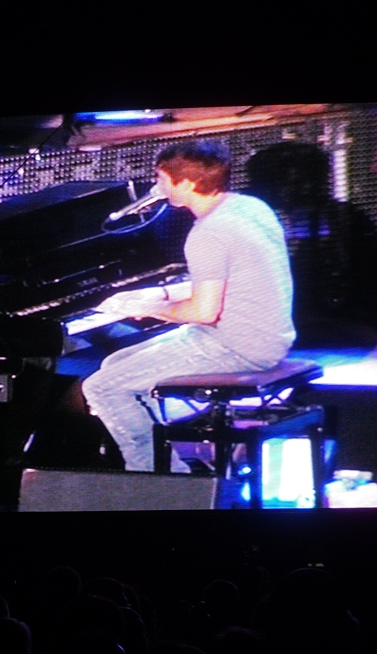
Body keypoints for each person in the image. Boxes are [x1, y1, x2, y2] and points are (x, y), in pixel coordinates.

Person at [82, 140, 296, 473]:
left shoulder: (207, 233)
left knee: (101, 387)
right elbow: (230, 282)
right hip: (265, 338)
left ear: (185, 184)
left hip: (236, 347)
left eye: (161, 178)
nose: (156, 187)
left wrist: (147, 308)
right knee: (116, 363)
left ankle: (158, 481)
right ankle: (170, 459)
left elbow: (203, 312)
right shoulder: (250, 208)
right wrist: (159, 295)